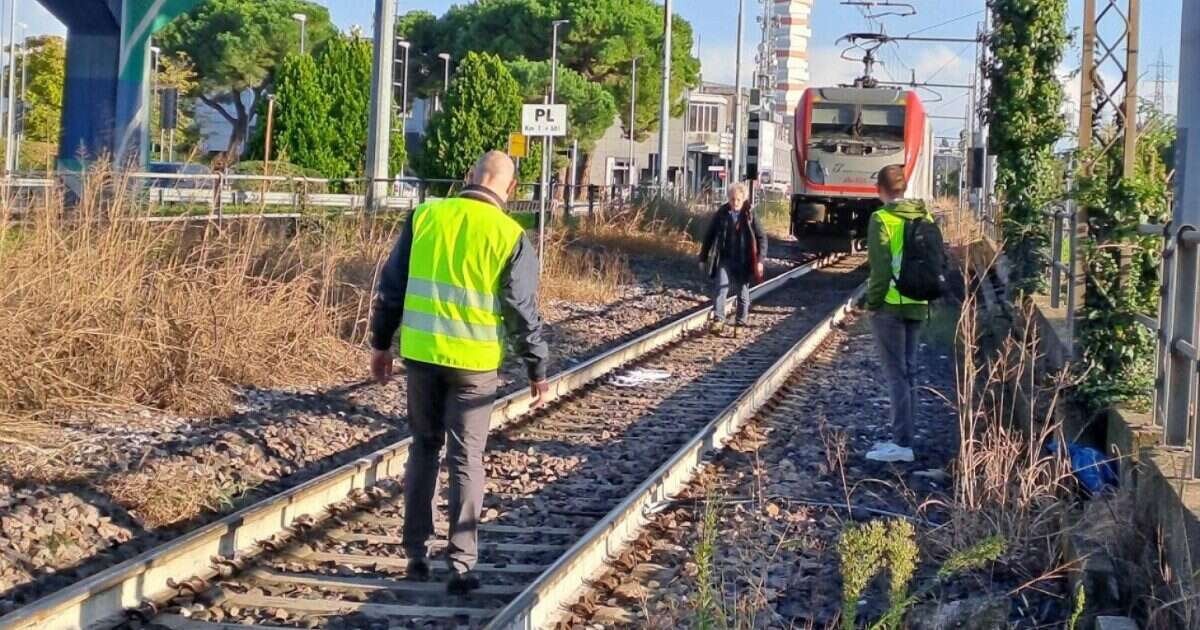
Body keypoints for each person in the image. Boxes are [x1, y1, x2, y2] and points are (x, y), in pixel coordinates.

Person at [369, 151, 550, 594]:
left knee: (423, 449)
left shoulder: (426, 216)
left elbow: (392, 287)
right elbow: (520, 310)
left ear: (470, 177)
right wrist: (536, 367)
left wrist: (379, 343)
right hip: (475, 365)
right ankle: (462, 563)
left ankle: (415, 554)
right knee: (466, 458)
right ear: (509, 189)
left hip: (422, 357)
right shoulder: (510, 234)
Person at [865, 164, 933, 464]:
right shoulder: (925, 215)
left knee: (896, 375)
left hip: (890, 307)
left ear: (880, 189)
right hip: (918, 304)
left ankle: (902, 443)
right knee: (910, 371)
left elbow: (880, 270)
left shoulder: (881, 219)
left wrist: (872, 303)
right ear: (903, 188)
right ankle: (905, 438)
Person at [699, 182, 767, 333]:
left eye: (738, 199)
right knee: (720, 288)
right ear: (728, 199)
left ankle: (740, 323)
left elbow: (762, 237)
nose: (735, 203)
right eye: (732, 199)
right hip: (725, 258)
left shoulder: (750, 215)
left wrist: (760, 260)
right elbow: (709, 236)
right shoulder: (722, 214)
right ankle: (718, 320)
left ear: (743, 199)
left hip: (744, 259)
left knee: (742, 292)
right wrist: (703, 258)